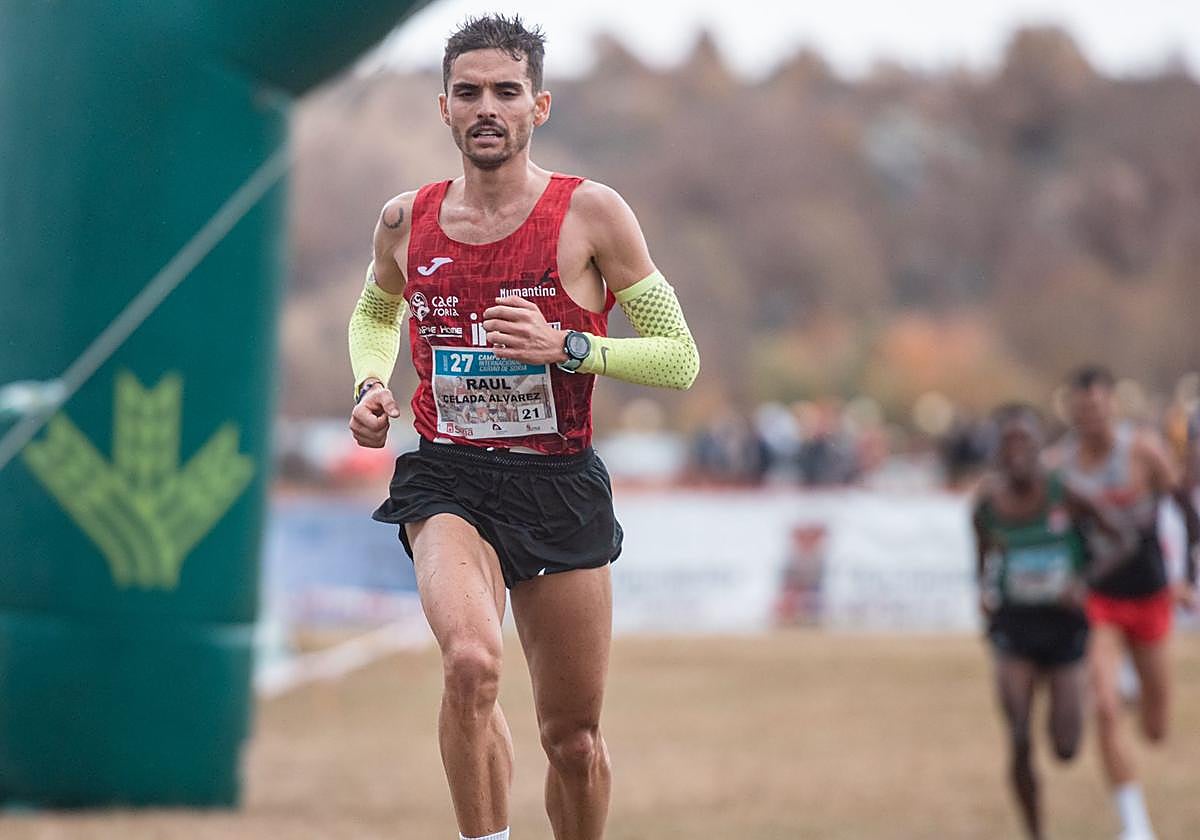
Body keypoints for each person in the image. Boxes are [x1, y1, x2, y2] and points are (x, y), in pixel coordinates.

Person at [345, 15, 699, 840]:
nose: (487, 108)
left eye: (506, 91)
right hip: (448, 476)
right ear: (443, 108)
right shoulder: (405, 220)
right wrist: (370, 382)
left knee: (572, 741)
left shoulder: (593, 214)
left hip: (557, 482)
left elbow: (680, 358)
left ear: (539, 106)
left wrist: (569, 346)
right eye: (468, 92)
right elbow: (375, 311)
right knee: (471, 664)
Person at [1055, 366, 1199, 840]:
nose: (1090, 418)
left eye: (1097, 408)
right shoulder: (1063, 465)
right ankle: (1135, 826)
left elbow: (1186, 510)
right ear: (1071, 412)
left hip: (1150, 594)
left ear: (1112, 405)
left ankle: (1134, 686)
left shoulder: (1142, 451)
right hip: (1101, 599)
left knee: (1155, 730)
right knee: (1103, 706)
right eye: (1081, 410)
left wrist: (1185, 578)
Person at [974, 404, 1127, 840]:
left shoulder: (1067, 492)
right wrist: (984, 594)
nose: (1016, 450)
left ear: (1041, 447)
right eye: (1008, 442)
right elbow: (981, 557)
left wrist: (1084, 581)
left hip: (1064, 626)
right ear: (997, 451)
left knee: (1065, 747)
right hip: (1015, 625)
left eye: (1024, 440)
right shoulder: (987, 505)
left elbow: (1122, 539)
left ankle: (1072, 697)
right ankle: (1035, 832)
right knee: (1019, 735)